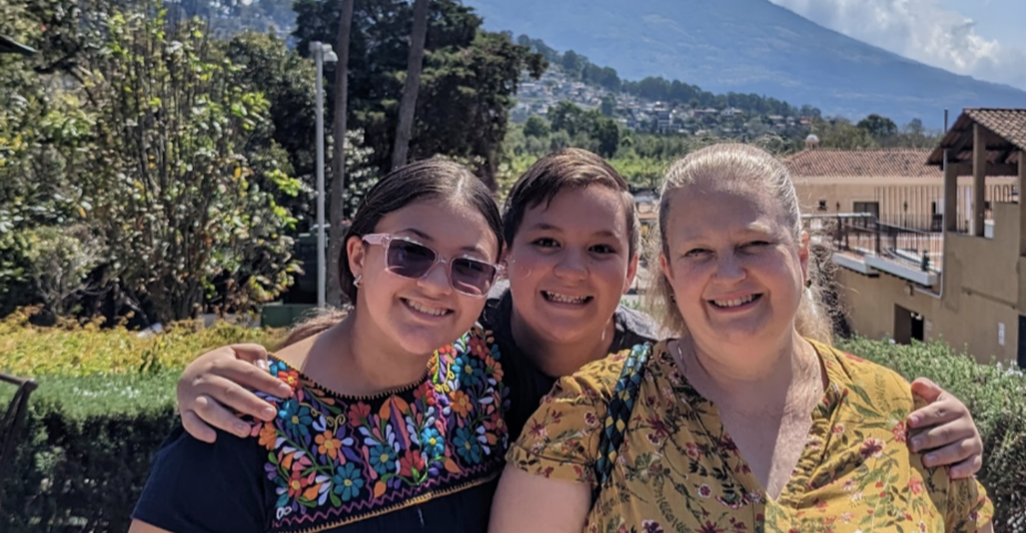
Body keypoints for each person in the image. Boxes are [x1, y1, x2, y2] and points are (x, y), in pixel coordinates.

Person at [175, 149, 984, 480]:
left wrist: (926, 423)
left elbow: (777, 378)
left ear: (636, 272)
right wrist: (214, 371)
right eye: (546, 242)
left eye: (601, 249)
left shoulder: (660, 371)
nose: (571, 269)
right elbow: (358, 347)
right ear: (505, 261)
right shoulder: (458, 350)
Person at [490, 143, 995, 533]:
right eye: (698, 252)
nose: (729, 274)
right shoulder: (583, 417)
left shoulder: (901, 415)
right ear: (668, 272)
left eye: (754, 244)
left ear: (801, 256)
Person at [130, 158, 509, 533]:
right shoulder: (247, 413)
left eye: (469, 267)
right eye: (411, 252)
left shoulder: (481, 372)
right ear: (358, 257)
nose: (437, 284)